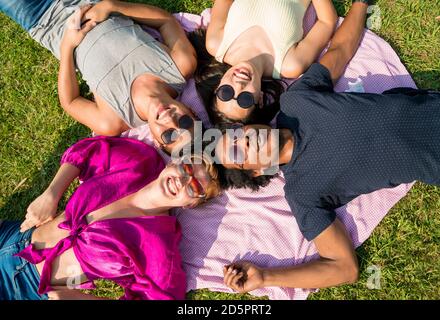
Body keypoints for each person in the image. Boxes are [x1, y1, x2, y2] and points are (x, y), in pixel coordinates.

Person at [213, 0, 440, 292]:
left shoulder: (296, 101)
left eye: (237, 135)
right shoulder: (303, 193)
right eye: (239, 152)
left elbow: (339, 51)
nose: (245, 140)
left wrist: (360, 5)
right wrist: (265, 277)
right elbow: (344, 267)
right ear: (257, 171)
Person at [0, 136, 221, 300]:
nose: (182, 180)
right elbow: (87, 151)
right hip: (14, 235)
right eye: (187, 168)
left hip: (24, 289)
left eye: (193, 187)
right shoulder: (141, 163)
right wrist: (52, 194)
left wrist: (76, 298)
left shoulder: (159, 247)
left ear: (190, 204)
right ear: (174, 163)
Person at [0, 0, 198, 154]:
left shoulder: (113, 121)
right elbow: (166, 21)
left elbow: (70, 101)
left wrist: (67, 45)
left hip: (44, 21)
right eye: (185, 123)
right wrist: (111, 6)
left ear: (156, 140)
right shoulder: (181, 66)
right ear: (191, 111)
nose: (172, 122)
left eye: (170, 135)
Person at [191, 0, 337, 125]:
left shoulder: (216, 44)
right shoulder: (289, 64)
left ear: (218, 86)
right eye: (245, 99)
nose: (238, 85)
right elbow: (327, 22)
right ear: (260, 98)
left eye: (226, 92)